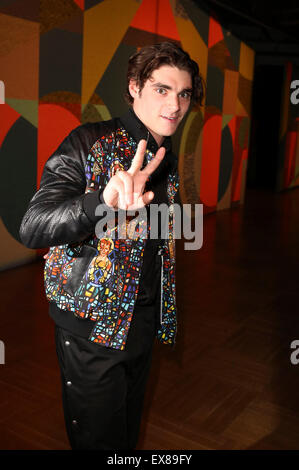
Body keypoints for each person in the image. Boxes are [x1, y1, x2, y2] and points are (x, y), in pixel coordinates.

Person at [19, 42, 204, 450]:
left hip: (140, 325)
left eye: (184, 93)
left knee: (125, 436)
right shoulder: (89, 142)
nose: (175, 104)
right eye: (161, 89)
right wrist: (101, 201)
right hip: (92, 329)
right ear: (135, 86)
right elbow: (33, 226)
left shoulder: (164, 157)